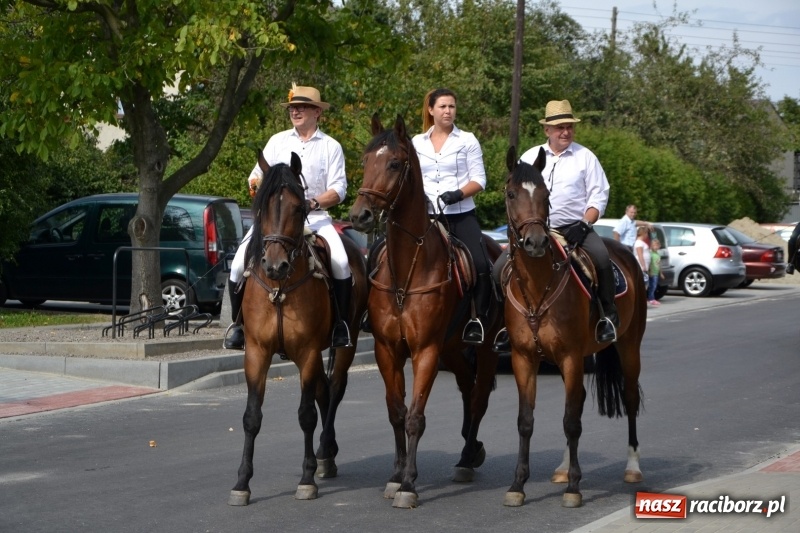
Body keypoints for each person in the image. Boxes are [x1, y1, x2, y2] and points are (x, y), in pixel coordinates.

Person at [224, 84, 352, 350]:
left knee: (340, 262)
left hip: (314, 218)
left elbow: (339, 188)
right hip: (274, 222)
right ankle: (238, 326)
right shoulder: (277, 141)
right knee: (237, 264)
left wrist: (313, 201)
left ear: (317, 112)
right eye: (293, 107)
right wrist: (257, 189)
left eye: (302, 107)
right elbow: (255, 177)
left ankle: (341, 324)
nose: (296, 111)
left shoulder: (331, 146)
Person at [493, 99, 617, 351]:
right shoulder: (529, 157)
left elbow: (599, 195)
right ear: (546, 130)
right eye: (559, 127)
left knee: (602, 258)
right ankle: (504, 326)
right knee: (497, 271)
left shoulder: (585, 157)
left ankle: (607, 318)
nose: (566, 131)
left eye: (569, 126)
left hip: (575, 229)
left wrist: (585, 224)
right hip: (534, 230)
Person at [412, 88, 493, 345]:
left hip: (459, 215)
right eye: (443, 106)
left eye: (452, 107)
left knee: (480, 264)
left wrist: (458, 194)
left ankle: (478, 319)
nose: (448, 111)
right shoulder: (416, 142)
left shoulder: (467, 140)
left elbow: (479, 180)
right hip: (425, 219)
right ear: (431, 110)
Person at [633, 225, 651, 300]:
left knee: (645, 284)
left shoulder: (641, 243)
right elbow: (640, 255)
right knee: (643, 284)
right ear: (643, 233)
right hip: (641, 266)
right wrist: (643, 266)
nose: (647, 235)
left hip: (644, 266)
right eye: (646, 233)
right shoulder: (639, 243)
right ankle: (640, 299)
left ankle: (641, 299)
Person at [648, 237, 664, 305]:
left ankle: (651, 297)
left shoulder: (658, 254)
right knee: (652, 286)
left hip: (656, 273)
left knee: (654, 286)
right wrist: (650, 271)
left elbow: (659, 264)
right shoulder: (650, 254)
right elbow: (650, 263)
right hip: (652, 272)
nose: (656, 247)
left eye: (657, 245)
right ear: (651, 246)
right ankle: (651, 298)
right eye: (654, 245)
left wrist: (661, 273)